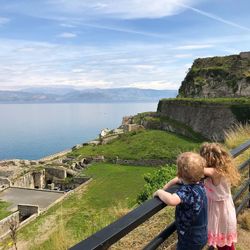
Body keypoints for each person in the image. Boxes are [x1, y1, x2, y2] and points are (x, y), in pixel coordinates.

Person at [154, 152, 208, 250]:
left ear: (179, 174)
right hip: (202, 232)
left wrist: (160, 192)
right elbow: (183, 180)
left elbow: (171, 200)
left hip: (190, 237)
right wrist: (172, 183)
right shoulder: (200, 184)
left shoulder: (187, 191)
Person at [200, 142, 240, 250]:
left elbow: (194, 169)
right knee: (226, 244)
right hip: (221, 212)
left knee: (226, 246)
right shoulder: (221, 170)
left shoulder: (215, 172)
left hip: (220, 215)